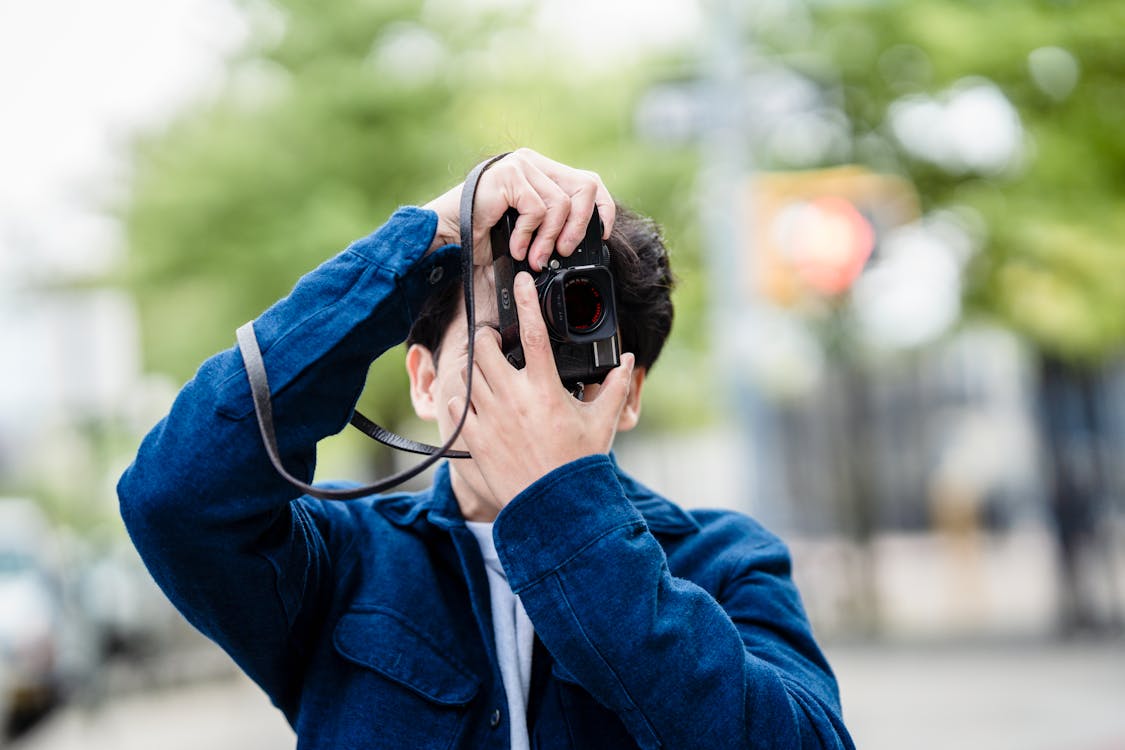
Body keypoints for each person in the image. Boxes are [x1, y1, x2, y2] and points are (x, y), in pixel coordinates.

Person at [118, 149, 854, 749]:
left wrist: (566, 510)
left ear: (628, 396)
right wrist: (430, 236)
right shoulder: (341, 568)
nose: (535, 388)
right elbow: (172, 496)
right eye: (504, 350)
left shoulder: (725, 563)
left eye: (572, 357)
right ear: (425, 379)